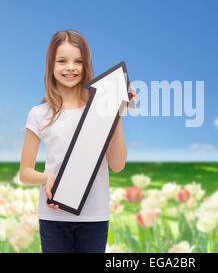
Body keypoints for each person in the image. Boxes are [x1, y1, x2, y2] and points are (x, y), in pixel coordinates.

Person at [19, 30, 137, 253]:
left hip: (94, 216)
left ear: (86, 66)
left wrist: (117, 111)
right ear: (51, 65)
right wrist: (48, 178)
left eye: (78, 61)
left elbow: (117, 164)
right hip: (53, 217)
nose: (70, 67)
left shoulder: (101, 109)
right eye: (62, 61)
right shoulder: (38, 113)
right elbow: (25, 172)